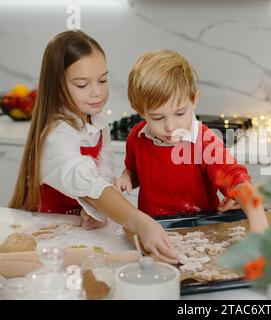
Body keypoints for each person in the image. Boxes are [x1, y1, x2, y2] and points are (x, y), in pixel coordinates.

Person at [9, 31, 178, 263]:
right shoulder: (56, 134)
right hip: (50, 237)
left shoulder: (96, 123)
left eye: (103, 80)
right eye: (82, 84)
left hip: (80, 233)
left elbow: (102, 178)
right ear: (57, 86)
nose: (97, 92)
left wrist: (95, 212)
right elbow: (89, 186)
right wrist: (139, 221)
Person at [114, 49, 269, 232]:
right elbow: (135, 171)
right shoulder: (137, 138)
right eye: (157, 118)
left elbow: (233, 177)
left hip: (201, 230)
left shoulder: (204, 142)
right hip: (153, 229)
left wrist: (254, 210)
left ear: (194, 100)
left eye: (180, 113)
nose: (170, 126)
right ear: (139, 110)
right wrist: (127, 178)